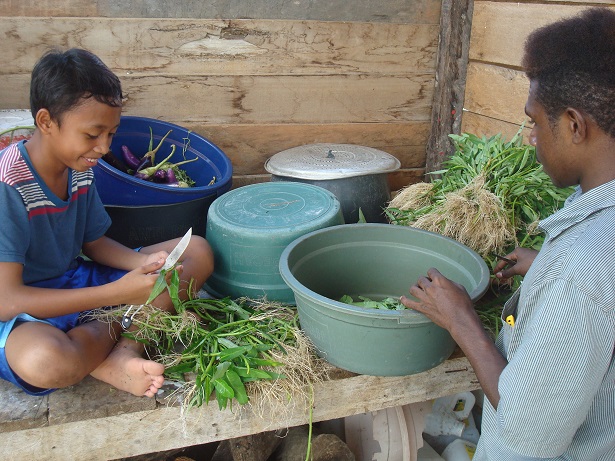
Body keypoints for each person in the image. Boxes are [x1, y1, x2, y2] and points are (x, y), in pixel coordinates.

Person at [401, 8, 615, 460]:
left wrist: (461, 319)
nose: (531, 138)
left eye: (536, 123)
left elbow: (526, 431)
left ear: (575, 126)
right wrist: (545, 269)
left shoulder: (579, 272)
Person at [0, 48, 214, 398]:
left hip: (73, 282)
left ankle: (121, 351)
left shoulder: (79, 168)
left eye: (111, 135)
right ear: (45, 122)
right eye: (92, 134)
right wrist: (117, 293)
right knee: (49, 362)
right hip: (20, 310)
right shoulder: (8, 184)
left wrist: (144, 264)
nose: (103, 148)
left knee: (197, 251)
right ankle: (107, 352)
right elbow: (7, 300)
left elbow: (94, 242)